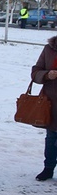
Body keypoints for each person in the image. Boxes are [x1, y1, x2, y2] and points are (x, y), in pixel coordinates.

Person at [31, 35, 57, 181]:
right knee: (51, 138)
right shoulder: (49, 49)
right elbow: (35, 72)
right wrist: (47, 75)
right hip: (51, 102)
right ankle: (48, 168)